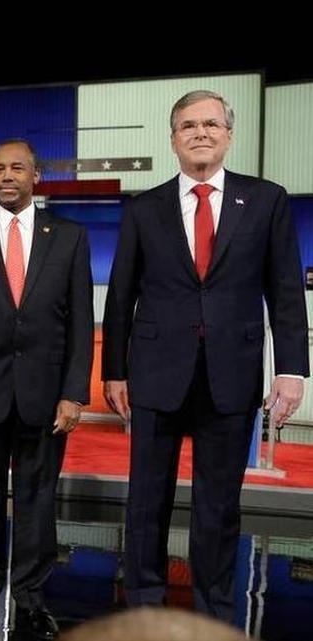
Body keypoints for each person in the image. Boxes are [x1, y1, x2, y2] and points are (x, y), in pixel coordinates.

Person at [102, 90, 308, 621]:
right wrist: (115, 372)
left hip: (231, 373)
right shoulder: (145, 208)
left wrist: (290, 370)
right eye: (188, 125)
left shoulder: (266, 200)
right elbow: (121, 295)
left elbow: (285, 289)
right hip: (155, 373)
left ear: (228, 134)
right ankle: (144, 607)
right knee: (147, 501)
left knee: (219, 507)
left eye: (211, 123)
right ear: (173, 138)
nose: (201, 132)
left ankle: (214, 612)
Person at [0, 139, 93, 640]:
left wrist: (74, 393)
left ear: (36, 177)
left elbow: (79, 324)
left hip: (45, 395)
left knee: (37, 496)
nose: (7, 175)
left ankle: (30, 597)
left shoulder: (69, 238)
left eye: (18, 168)